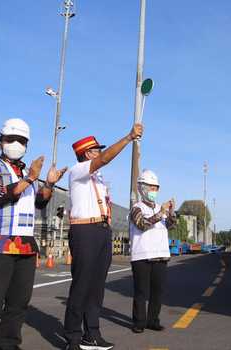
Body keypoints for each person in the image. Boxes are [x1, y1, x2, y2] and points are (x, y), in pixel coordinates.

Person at [0, 118, 66, 350]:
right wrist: (31, 178)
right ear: (0, 141)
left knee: (18, 304)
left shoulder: (25, 173)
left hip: (24, 246)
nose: (16, 143)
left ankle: (9, 344)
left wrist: (49, 185)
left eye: (21, 140)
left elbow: (38, 204)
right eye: (10, 139)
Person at [63, 124, 143, 350]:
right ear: (87, 154)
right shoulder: (77, 170)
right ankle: (73, 337)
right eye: (96, 150)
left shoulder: (98, 179)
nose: (99, 152)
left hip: (101, 231)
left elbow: (103, 163)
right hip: (84, 231)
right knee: (81, 285)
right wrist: (128, 137)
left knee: (97, 287)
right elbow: (105, 159)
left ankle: (92, 334)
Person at [129, 170, 176, 334]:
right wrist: (161, 212)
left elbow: (171, 226)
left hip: (161, 255)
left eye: (156, 188)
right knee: (141, 291)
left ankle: (153, 320)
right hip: (142, 255)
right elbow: (142, 224)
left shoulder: (160, 208)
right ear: (142, 188)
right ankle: (139, 322)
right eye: (151, 187)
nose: (154, 191)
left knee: (158, 291)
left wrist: (170, 213)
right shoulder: (136, 207)